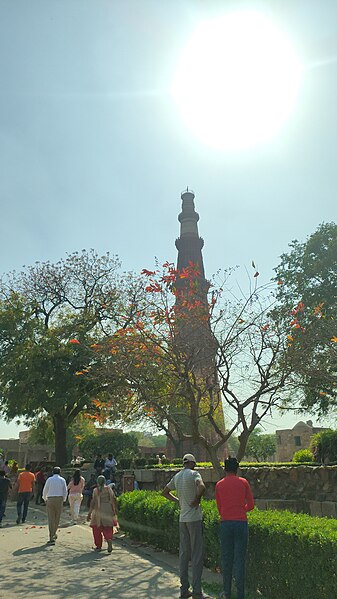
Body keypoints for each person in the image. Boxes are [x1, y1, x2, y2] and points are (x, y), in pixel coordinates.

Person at [162, 454, 210, 599]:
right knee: (196, 555)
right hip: (194, 518)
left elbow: (164, 492)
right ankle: (196, 591)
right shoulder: (194, 474)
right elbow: (201, 486)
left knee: (184, 555)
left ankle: (184, 590)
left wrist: (178, 501)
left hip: (182, 518)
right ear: (192, 463)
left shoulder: (177, 476)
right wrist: (197, 499)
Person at [215, 456, 255, 599]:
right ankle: (240, 595)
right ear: (237, 469)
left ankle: (226, 592)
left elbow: (220, 508)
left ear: (225, 469)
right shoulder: (243, 482)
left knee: (227, 559)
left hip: (226, 523)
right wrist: (241, 509)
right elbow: (251, 505)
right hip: (240, 523)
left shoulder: (219, 485)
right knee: (240, 560)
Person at [87, 474, 117, 553]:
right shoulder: (108, 489)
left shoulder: (95, 490)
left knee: (96, 529)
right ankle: (109, 539)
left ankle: (98, 546)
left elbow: (93, 502)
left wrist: (89, 513)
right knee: (108, 527)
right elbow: (113, 498)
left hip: (98, 510)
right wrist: (114, 510)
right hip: (107, 509)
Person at [42, 466, 68, 544]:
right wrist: (64, 500)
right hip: (59, 499)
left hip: (50, 498)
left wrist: (45, 498)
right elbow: (65, 490)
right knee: (57, 518)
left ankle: (51, 536)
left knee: (51, 518)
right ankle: (54, 533)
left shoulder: (49, 479)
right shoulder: (62, 480)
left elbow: (45, 489)